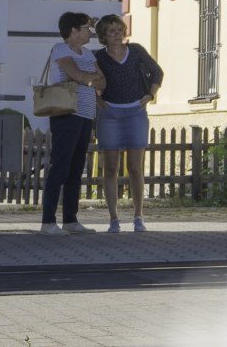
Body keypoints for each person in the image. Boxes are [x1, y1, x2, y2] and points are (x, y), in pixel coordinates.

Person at [93, 14, 163, 233]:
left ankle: (138, 216)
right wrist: (96, 98)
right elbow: (88, 79)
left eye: (119, 30)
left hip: (135, 112)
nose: (117, 34)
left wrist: (150, 95)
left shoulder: (136, 51)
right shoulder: (98, 57)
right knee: (111, 168)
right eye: (111, 31)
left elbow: (157, 72)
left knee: (135, 167)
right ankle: (113, 219)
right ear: (103, 36)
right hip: (109, 114)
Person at [40, 12, 103, 234]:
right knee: (60, 167)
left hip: (86, 114)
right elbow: (78, 75)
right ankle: (48, 222)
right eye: (87, 28)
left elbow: (101, 81)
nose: (90, 32)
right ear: (74, 30)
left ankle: (70, 220)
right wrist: (88, 78)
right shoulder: (60, 49)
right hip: (66, 114)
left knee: (76, 169)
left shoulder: (87, 53)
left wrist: (89, 78)